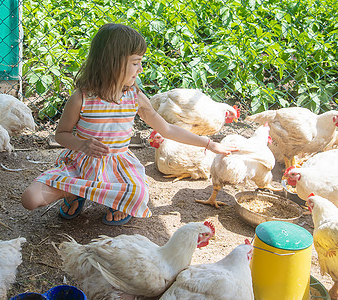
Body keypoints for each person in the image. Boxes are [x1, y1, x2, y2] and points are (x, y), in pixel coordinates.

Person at [21, 23, 237, 225]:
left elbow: (167, 129)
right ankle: (75, 191)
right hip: (82, 164)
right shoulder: (81, 98)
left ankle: (94, 194)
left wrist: (209, 144)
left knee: (139, 194)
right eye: (135, 63)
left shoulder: (135, 97)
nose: (140, 69)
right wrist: (82, 144)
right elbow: (62, 135)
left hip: (118, 167)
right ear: (112, 63)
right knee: (31, 199)